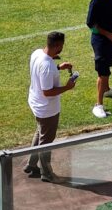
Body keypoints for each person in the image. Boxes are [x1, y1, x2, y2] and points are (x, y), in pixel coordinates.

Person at [24, 31, 75, 183]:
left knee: (40, 133)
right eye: (62, 45)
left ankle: (31, 164)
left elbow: (43, 73)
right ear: (58, 45)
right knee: (46, 142)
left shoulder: (37, 53)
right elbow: (47, 92)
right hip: (47, 109)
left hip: (36, 103)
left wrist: (58, 67)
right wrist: (67, 87)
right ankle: (46, 173)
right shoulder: (47, 65)